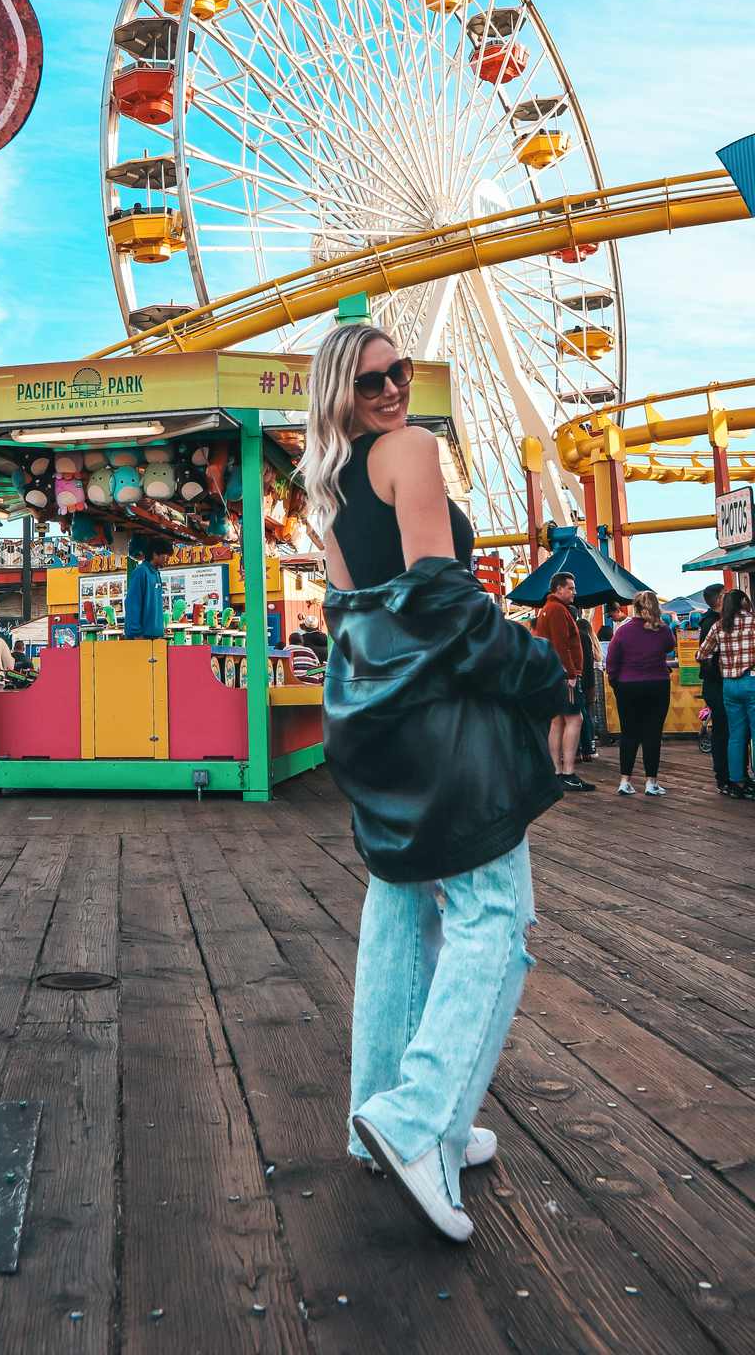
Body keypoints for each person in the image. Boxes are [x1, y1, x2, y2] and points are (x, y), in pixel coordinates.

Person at [301, 320, 566, 1244]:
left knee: (401, 915)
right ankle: (419, 1122)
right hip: (447, 728)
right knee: (496, 915)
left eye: (400, 373)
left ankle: (386, 1121)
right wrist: (540, 672)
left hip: (385, 732)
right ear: (341, 391)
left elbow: (359, 619)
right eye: (372, 379)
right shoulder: (412, 449)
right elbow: (442, 600)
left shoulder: (323, 493)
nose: (392, 390)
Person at [604, 589, 676, 796]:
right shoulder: (662, 630)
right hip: (657, 684)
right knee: (653, 733)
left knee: (629, 733)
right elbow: (669, 647)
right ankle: (651, 782)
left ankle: (625, 781)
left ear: (635, 607)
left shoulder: (623, 631)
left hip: (628, 686)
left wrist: (617, 683)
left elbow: (612, 662)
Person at [532, 574, 596, 793]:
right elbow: (561, 644)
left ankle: (556, 770)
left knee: (557, 721)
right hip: (562, 675)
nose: (574, 592)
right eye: (571, 588)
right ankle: (568, 772)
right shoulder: (559, 611)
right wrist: (571, 673)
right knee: (574, 718)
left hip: (550, 673)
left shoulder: (547, 609)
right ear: (559, 589)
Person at [699, 590, 755, 800]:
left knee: (736, 735)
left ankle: (737, 781)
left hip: (729, 685)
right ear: (744, 602)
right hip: (752, 680)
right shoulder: (753, 622)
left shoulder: (719, 625)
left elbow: (701, 654)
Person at [697, 583, 733, 793]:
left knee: (724, 729)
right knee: (723, 730)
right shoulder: (713, 623)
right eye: (725, 594)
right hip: (718, 684)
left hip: (716, 684)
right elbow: (704, 657)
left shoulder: (710, 621)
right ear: (720, 598)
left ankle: (727, 774)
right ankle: (724, 775)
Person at [124, 536, 167, 639]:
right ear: (155, 554)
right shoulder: (141, 572)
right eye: (165, 556)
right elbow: (132, 603)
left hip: (155, 636)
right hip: (141, 638)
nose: (167, 559)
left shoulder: (156, 574)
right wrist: (136, 633)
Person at [573, 606, 600, 760]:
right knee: (588, 714)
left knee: (579, 715)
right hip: (589, 681)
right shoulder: (588, 637)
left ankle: (583, 749)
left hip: (580, 680)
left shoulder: (578, 636)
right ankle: (589, 747)